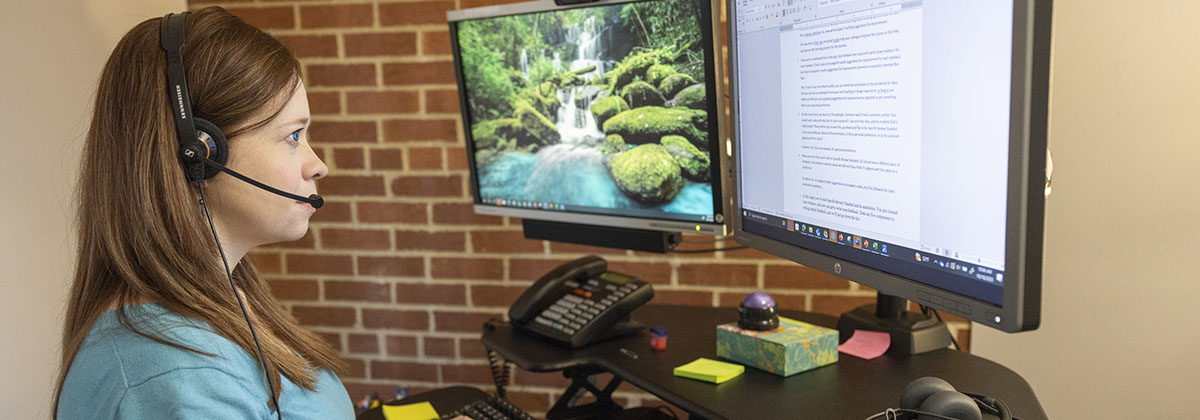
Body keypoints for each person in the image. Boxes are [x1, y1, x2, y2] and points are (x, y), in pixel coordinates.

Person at [54, 7, 352, 419]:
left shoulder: (221, 303)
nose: (318, 164)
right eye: (293, 136)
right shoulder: (177, 378)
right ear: (199, 153)